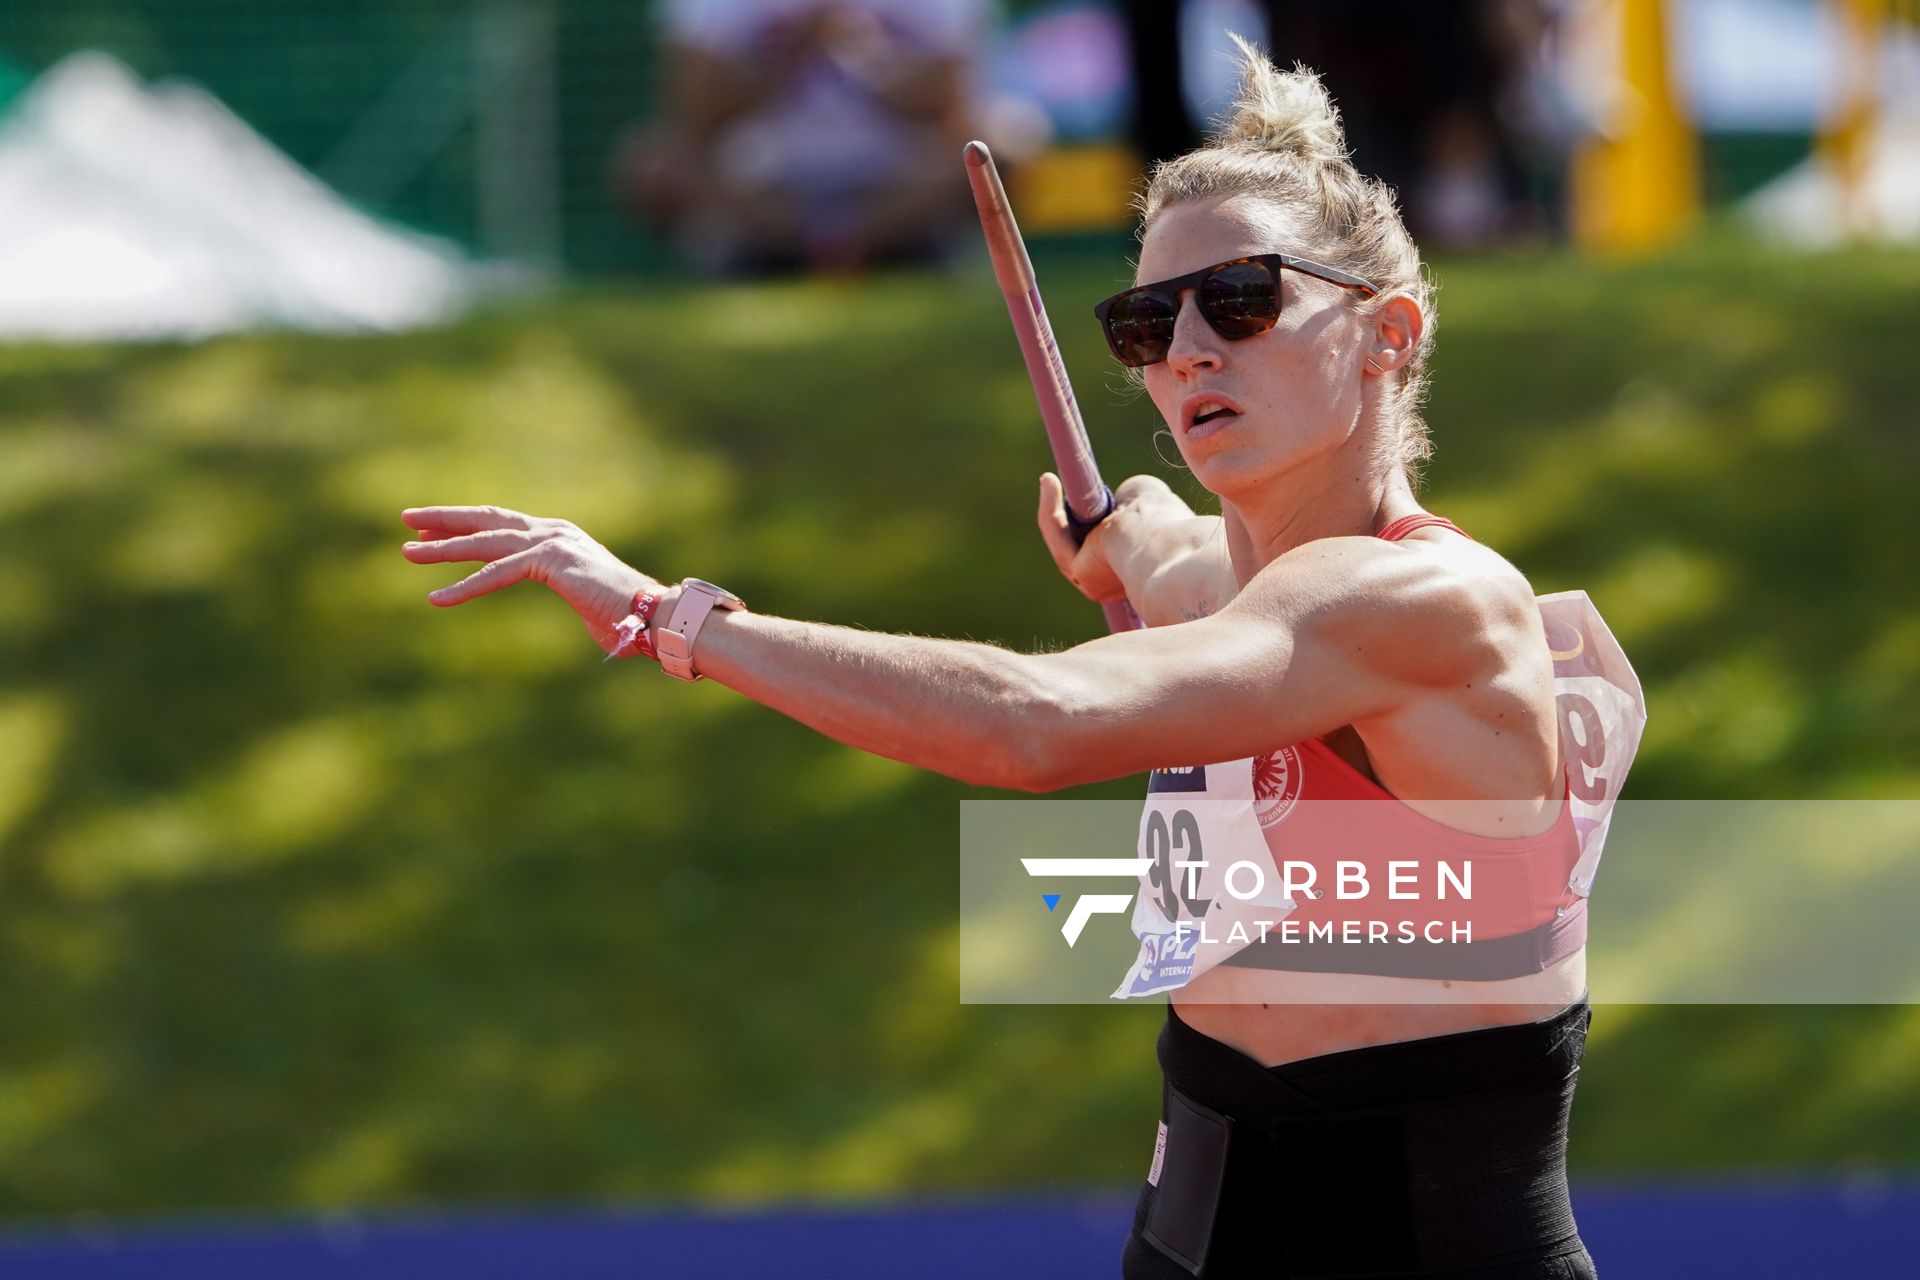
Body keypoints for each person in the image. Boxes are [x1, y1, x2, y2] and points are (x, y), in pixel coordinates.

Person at [404, 39, 1641, 1278]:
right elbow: (1164, 544)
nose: (1190, 352)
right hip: (1193, 1236)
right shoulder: (1233, 588)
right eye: (1148, 323)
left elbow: (1035, 724)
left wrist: (674, 617)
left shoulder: (1419, 602)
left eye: (1245, 300)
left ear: (1388, 333)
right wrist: (1128, 537)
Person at [616, 0, 984, 273]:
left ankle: (840, 247)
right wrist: (789, 54)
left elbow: (950, 111)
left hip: (897, 176)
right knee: (653, 166)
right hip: (760, 179)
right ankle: (811, 249)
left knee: (999, 150)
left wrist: (865, 55)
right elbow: (694, 116)